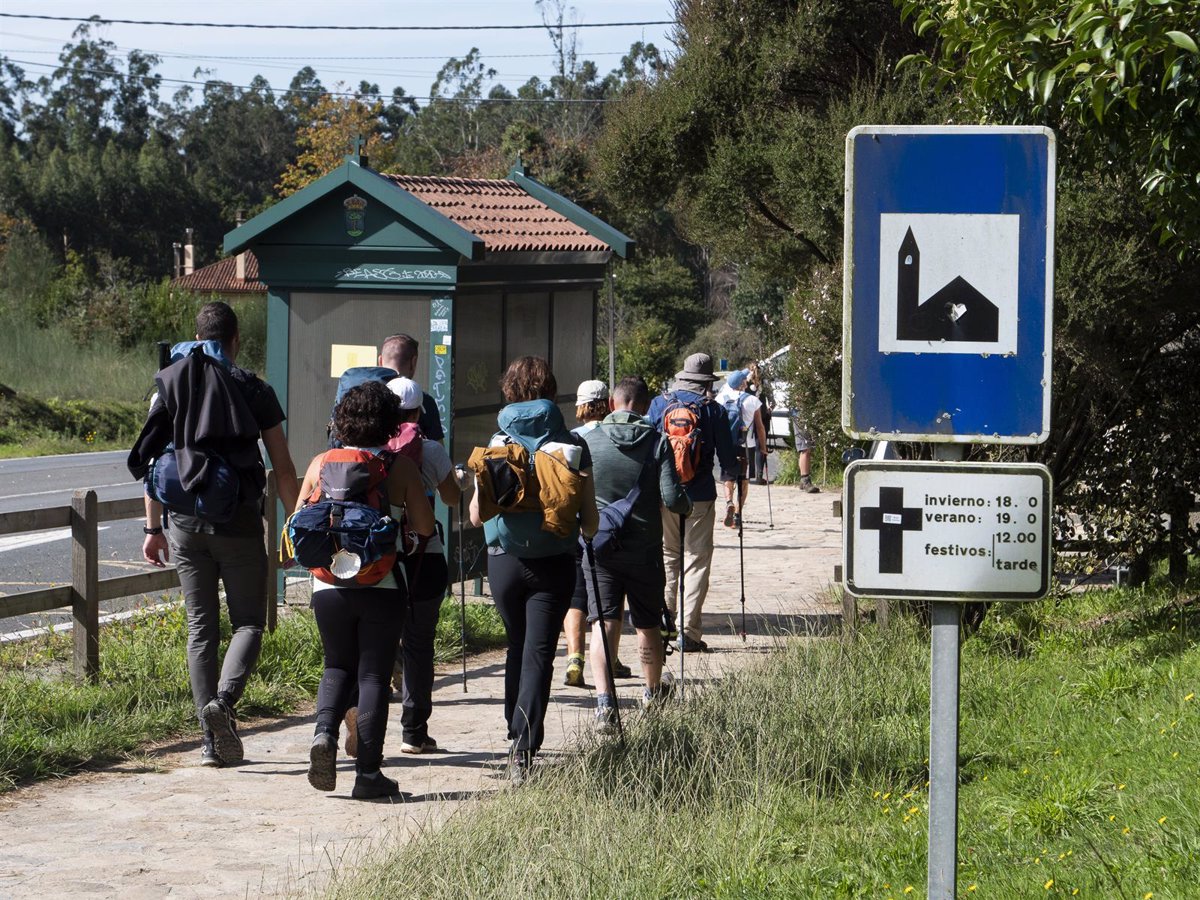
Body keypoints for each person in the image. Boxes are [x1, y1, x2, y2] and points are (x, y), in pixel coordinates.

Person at [131, 301, 299, 768]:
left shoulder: (170, 382)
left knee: (200, 628)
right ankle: (223, 704)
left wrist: (152, 526)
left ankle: (209, 741)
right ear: (235, 338)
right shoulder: (253, 388)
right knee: (248, 622)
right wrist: (292, 523)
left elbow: (154, 461)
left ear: (197, 334)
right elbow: (282, 467)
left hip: (184, 524)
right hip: (239, 523)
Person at [298, 381, 435, 799]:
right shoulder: (399, 468)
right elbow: (427, 526)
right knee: (373, 672)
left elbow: (301, 517)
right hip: (382, 582)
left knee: (336, 665)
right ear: (390, 423)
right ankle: (368, 775)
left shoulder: (321, 461)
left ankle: (324, 734)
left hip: (327, 585)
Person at [469, 357, 598, 784]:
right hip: (555, 562)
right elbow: (591, 520)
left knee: (516, 645)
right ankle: (523, 750)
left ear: (509, 392)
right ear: (551, 391)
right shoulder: (573, 443)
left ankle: (514, 733)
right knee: (539, 652)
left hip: (504, 561)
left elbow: (474, 516)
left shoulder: (496, 441)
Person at [582, 376, 691, 729]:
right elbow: (673, 499)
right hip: (645, 548)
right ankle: (652, 692)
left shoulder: (588, 441)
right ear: (645, 407)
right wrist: (686, 505)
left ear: (612, 404)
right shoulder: (657, 443)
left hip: (600, 546)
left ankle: (605, 703)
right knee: (646, 623)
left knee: (603, 621)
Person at [386, 376, 470, 755]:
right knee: (419, 646)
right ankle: (414, 731)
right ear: (420, 411)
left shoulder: (369, 447)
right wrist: (455, 480)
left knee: (377, 641)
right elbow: (452, 499)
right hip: (424, 554)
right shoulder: (431, 449)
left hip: (380, 556)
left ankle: (361, 728)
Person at [646, 353, 738, 653]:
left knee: (668, 556)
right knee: (696, 561)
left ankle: (664, 622)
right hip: (700, 495)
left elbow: (647, 449)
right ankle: (689, 632)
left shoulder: (660, 405)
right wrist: (733, 490)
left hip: (665, 494)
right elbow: (728, 460)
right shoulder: (714, 410)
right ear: (707, 381)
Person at [563, 379, 632, 687]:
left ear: (579, 406)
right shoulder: (612, 437)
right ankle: (609, 658)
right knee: (608, 598)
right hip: (606, 527)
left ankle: (574, 657)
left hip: (574, 525)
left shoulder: (570, 438)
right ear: (607, 404)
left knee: (576, 594)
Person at [715, 368, 769, 528]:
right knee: (743, 480)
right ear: (742, 383)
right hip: (747, 445)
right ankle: (737, 514)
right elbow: (760, 427)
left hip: (727, 446)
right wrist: (764, 448)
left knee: (728, 478)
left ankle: (728, 502)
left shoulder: (720, 399)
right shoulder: (752, 401)